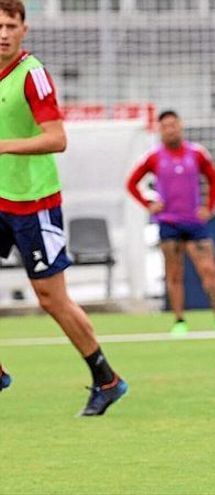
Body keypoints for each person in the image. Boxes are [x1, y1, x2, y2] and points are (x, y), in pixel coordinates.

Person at [0, 0, 127, 415]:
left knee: (51, 299)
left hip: (33, 203)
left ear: (24, 29)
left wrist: (4, 147)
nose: (3, 33)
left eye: (10, 25)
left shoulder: (32, 76)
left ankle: (106, 378)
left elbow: (56, 138)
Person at [126, 110, 215, 336]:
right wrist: (148, 203)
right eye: (165, 126)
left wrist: (209, 206)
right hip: (169, 223)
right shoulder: (154, 157)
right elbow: (132, 183)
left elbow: (214, 178)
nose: (170, 130)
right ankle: (179, 321)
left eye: (174, 125)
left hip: (194, 222)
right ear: (160, 130)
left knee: (209, 270)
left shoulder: (196, 153)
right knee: (174, 274)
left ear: (180, 126)